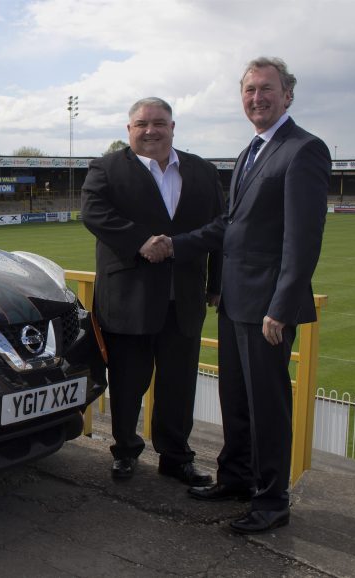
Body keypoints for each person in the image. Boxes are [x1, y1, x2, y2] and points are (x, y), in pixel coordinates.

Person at [161, 57, 330, 534]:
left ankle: (272, 500)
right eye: (250, 90)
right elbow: (228, 228)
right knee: (236, 398)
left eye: (267, 89)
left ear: (288, 95)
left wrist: (281, 306)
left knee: (267, 407)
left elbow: (302, 240)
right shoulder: (250, 152)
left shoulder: (304, 150)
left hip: (268, 308)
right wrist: (174, 245)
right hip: (235, 301)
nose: (257, 98)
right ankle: (235, 477)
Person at [82, 97, 225, 485]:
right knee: (128, 384)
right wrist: (141, 241)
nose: (151, 131)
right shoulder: (106, 168)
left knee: (179, 386)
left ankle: (176, 457)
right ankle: (125, 451)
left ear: (173, 127)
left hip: (185, 298)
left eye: (159, 123)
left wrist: (217, 283)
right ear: (129, 130)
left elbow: (221, 228)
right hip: (129, 299)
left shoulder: (202, 171)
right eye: (142, 124)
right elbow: (94, 214)